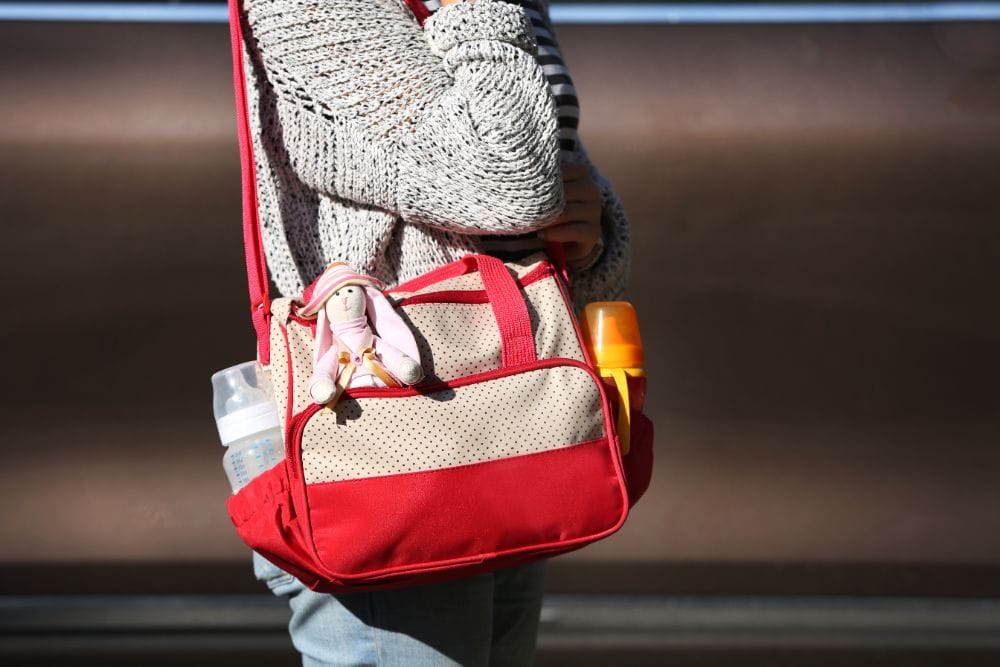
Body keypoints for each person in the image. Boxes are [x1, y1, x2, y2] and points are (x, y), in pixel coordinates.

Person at [236, 0, 632, 663]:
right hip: (383, 423)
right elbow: (505, 177)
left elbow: (532, 185)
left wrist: (590, 236)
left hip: (501, 412)